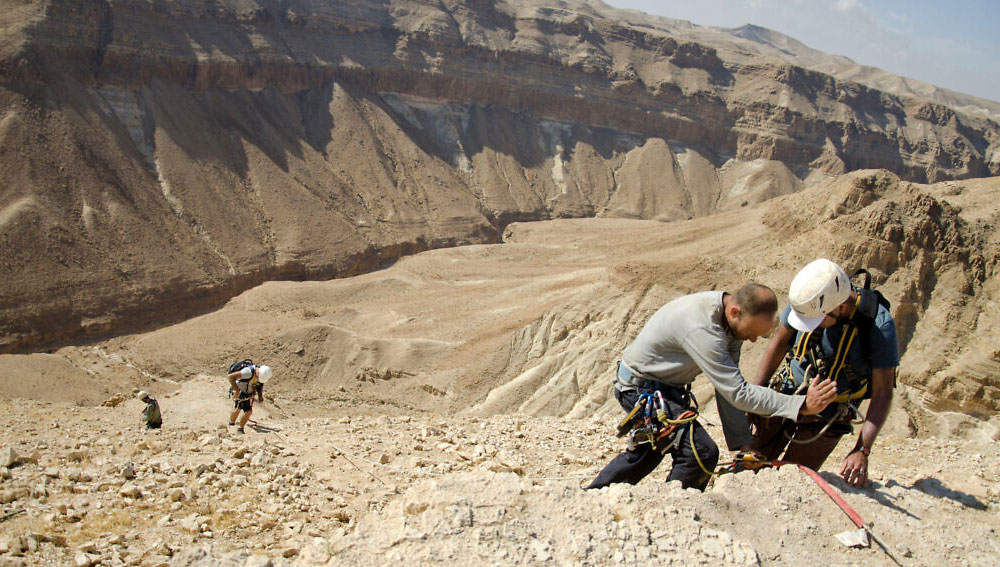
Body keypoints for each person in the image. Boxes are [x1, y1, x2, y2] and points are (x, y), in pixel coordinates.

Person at [587, 284, 837, 491]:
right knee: (700, 453)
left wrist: (743, 443)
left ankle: (596, 497)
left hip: (661, 388)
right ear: (735, 312)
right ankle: (677, 513)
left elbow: (727, 388)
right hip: (641, 388)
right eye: (750, 333)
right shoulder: (704, 329)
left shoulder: (729, 322)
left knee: (651, 450)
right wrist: (800, 405)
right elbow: (738, 392)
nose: (751, 340)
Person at [749, 259, 898, 487]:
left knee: (791, 480)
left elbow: (883, 393)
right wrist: (757, 397)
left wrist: (862, 449)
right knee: (750, 466)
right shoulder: (808, 299)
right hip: (787, 396)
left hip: (827, 416)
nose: (813, 326)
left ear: (839, 306)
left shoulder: (878, 325)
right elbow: (778, 344)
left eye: (817, 321)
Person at [228, 364, 271, 433]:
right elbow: (231, 377)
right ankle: (237, 428)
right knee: (244, 410)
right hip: (240, 391)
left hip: (247, 392)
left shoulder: (259, 375)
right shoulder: (247, 372)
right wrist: (236, 391)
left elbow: (259, 385)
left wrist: (260, 396)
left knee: (241, 409)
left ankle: (233, 424)